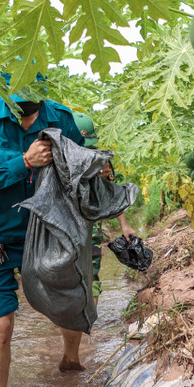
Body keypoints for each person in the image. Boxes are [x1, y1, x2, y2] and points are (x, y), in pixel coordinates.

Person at [0, 74, 89, 387]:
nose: (28, 117)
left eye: (33, 108)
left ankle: (70, 358)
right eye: (20, 109)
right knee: (0, 327)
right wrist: (24, 162)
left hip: (47, 232)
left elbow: (79, 170)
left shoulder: (62, 117)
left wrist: (94, 169)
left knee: (70, 305)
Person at [71, 112, 138, 302]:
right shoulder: (61, 158)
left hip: (90, 230)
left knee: (91, 277)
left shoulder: (102, 162)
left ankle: (88, 326)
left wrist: (124, 225)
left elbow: (113, 195)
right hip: (65, 229)